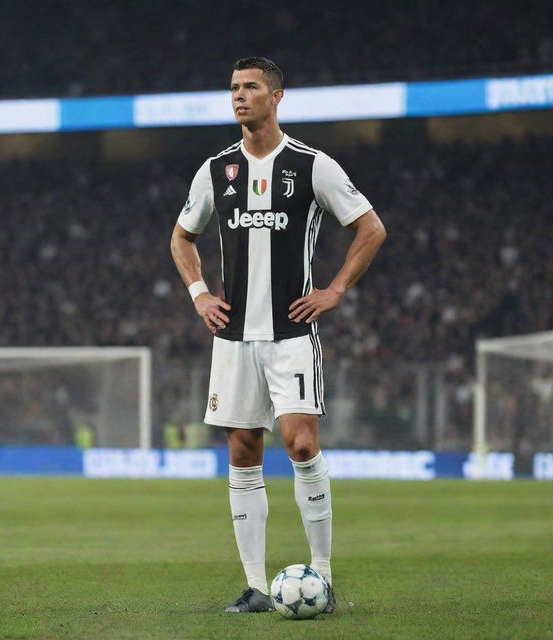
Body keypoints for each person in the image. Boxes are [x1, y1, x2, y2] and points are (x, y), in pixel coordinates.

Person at [170, 57, 386, 613]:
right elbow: (181, 238)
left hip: (292, 331)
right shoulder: (215, 170)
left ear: (277, 96)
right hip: (234, 335)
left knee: (301, 443)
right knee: (243, 451)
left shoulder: (312, 166)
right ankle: (256, 587)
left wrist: (335, 290)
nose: (240, 97)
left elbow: (370, 227)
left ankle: (325, 576)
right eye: (234, 88)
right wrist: (199, 294)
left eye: (251, 88)